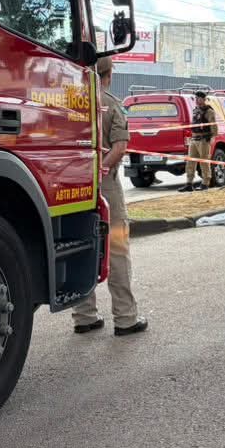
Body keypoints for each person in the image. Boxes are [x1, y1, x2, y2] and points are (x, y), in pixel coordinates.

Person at [73, 57, 147, 336]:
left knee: (81, 245)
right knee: (116, 249)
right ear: (109, 74)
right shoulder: (113, 105)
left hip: (75, 185)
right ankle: (125, 318)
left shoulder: (74, 102)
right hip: (106, 187)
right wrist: (101, 170)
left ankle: (84, 316)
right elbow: (119, 148)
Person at [182, 90, 217, 191]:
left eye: (199, 98)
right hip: (194, 139)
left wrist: (213, 137)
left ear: (204, 99)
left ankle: (205, 183)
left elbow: (213, 126)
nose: (196, 100)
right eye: (196, 98)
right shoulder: (195, 110)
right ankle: (189, 183)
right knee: (190, 162)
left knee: (204, 162)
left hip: (204, 140)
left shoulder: (209, 111)